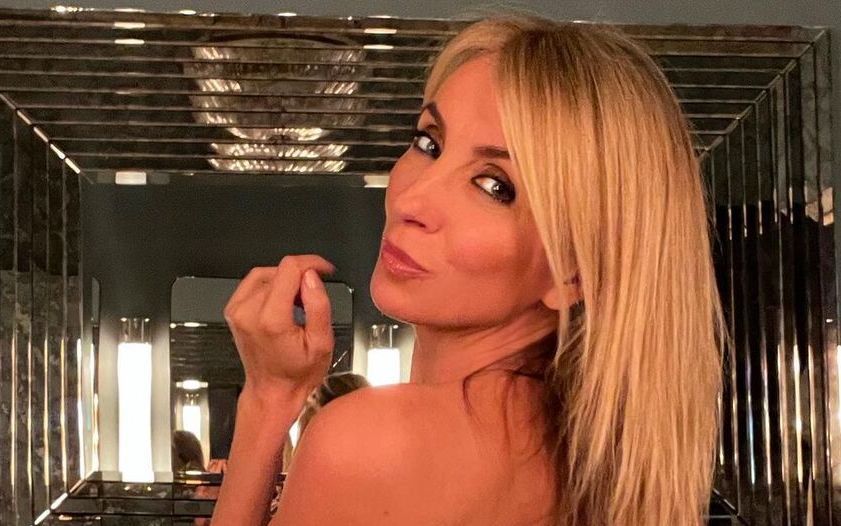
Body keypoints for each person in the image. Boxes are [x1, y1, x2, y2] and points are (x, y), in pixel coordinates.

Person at [212, 14, 725, 526]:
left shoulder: (369, 444)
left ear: (572, 273)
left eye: (493, 186)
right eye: (429, 144)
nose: (411, 199)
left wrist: (266, 401)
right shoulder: (591, 465)